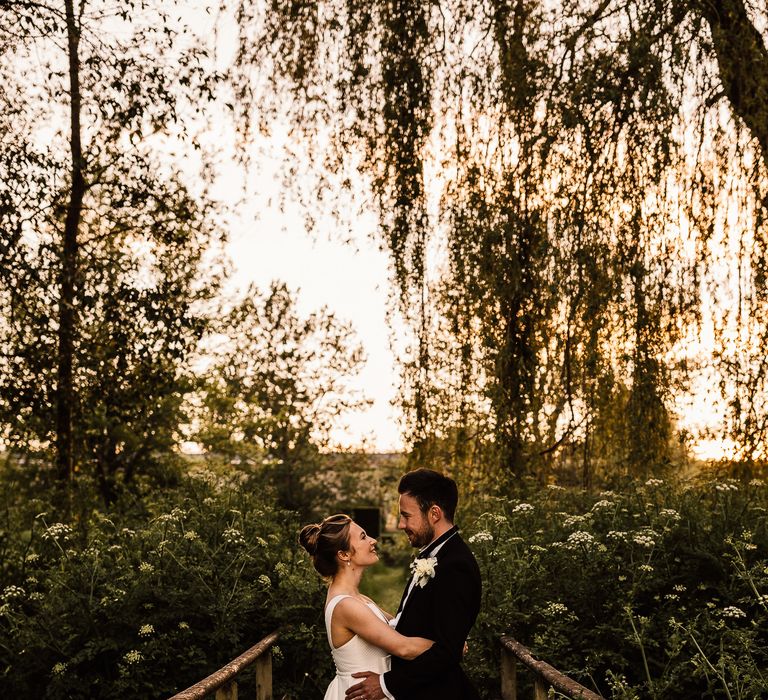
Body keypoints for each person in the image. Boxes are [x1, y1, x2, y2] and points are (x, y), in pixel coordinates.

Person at [345, 468, 482, 700]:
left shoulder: (456, 566)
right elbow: (416, 622)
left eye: (406, 516)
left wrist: (386, 684)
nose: (400, 525)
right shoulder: (433, 555)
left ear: (434, 513)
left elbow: (447, 652)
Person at [299, 514, 435, 700]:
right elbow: (404, 647)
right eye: (363, 537)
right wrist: (450, 647)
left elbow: (402, 626)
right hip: (359, 693)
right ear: (344, 554)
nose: (373, 540)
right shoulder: (346, 605)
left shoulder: (358, 598)